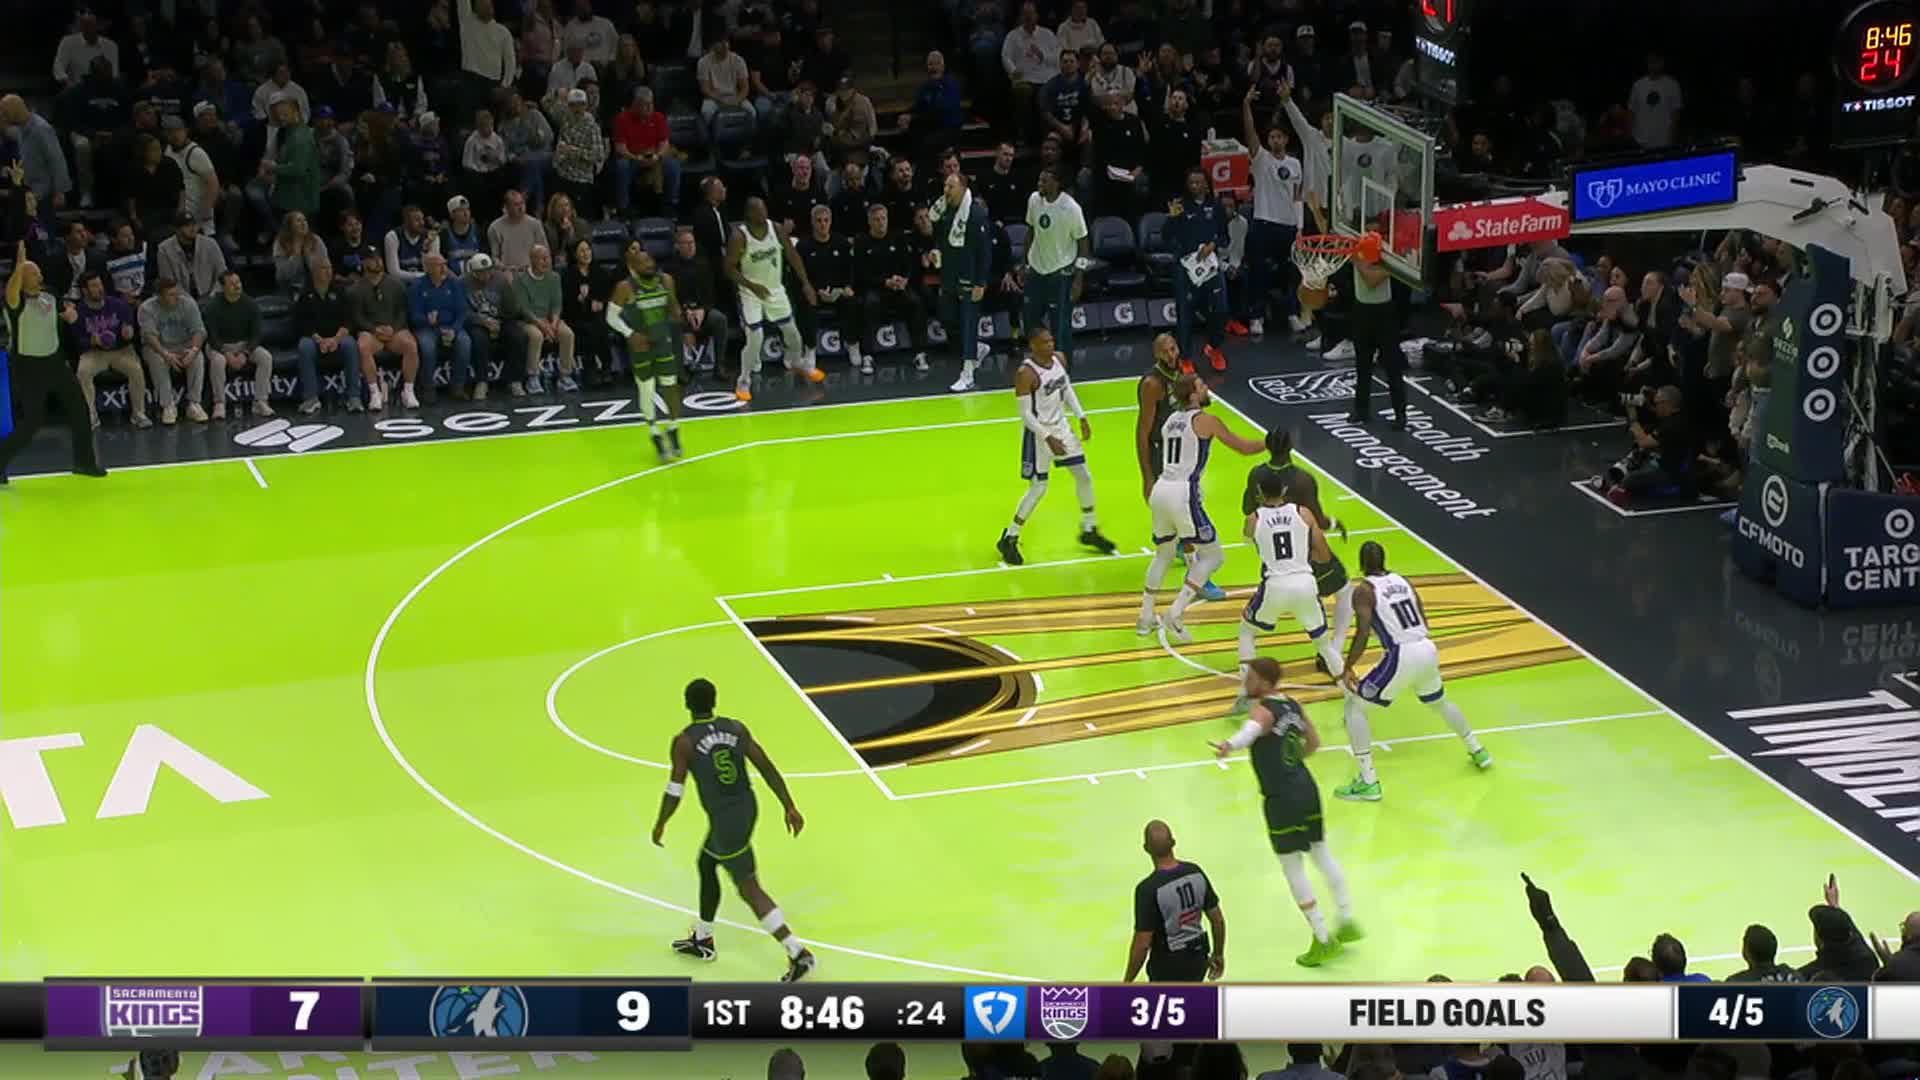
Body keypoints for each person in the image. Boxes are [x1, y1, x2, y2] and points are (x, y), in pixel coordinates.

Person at [652, 677, 817, 982]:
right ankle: (703, 938)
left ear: (687, 704)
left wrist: (662, 821)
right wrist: (788, 805)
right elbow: (766, 767)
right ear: (714, 701)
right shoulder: (736, 729)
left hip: (726, 822)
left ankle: (797, 952)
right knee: (706, 862)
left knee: (748, 887)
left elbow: (675, 789)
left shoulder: (684, 742)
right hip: (747, 808)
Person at [1211, 657, 1358, 967]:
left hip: (1281, 797)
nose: (1246, 682)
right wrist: (1291, 761)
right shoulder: (1292, 705)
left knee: (1292, 867)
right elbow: (1314, 743)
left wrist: (1228, 745)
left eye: (1250, 677)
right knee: (1322, 853)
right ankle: (1347, 919)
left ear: (1265, 682)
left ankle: (1322, 938)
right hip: (1306, 787)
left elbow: (1249, 732)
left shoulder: (1263, 709)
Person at [1336, 541, 1492, 801]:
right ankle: (1478, 750)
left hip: (1401, 655)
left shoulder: (1364, 590)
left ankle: (1368, 782)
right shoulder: (1403, 581)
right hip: (1426, 647)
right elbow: (1421, 617)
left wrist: (1348, 665)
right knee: (1440, 702)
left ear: (1361, 564)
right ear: (1384, 559)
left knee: (1355, 706)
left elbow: (1363, 631)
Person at [1140, 375, 1265, 642]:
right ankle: (1175, 612)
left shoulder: (1170, 420)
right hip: (1182, 493)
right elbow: (1243, 448)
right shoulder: (1205, 420)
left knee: (1163, 554)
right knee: (1213, 556)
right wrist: (1270, 442)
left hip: (1161, 488)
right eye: (1202, 386)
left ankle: (1145, 617)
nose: (1207, 388)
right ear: (1193, 395)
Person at [997, 327, 1117, 565]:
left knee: (1084, 476)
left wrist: (1081, 416)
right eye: (1045, 342)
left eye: (1051, 340)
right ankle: (1010, 537)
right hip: (1039, 434)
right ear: (1033, 345)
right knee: (1039, 487)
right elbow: (1026, 415)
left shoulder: (1059, 359)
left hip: (1061, 427)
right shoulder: (1025, 374)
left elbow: (1067, 389)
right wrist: (1047, 437)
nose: (1050, 345)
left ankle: (1089, 528)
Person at [1245, 431, 1354, 671]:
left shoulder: (1256, 474)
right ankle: (1334, 651)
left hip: (1276, 559)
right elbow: (1318, 520)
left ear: (1268, 446)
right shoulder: (1303, 479)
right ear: (1291, 447)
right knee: (1345, 591)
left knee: (1255, 621)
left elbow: (1247, 510)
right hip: (1305, 555)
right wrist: (1335, 523)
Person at [1238, 471, 1346, 709]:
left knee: (1247, 631)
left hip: (1275, 584)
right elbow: (1324, 554)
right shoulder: (1303, 513)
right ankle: (1350, 691)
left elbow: (1249, 538)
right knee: (1323, 644)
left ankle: (1245, 694)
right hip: (1304, 582)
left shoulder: (1253, 518)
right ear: (1284, 491)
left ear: (1259, 494)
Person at [0, 242, 106, 481]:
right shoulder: (15, 303)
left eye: (39, 272)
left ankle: (85, 463)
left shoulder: (50, 294)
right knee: (32, 423)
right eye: (33, 274)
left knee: (80, 411)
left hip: (56, 363)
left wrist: (70, 316)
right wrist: (20, 265)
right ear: (21, 279)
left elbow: (62, 314)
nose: (40, 276)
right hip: (29, 368)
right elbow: (10, 292)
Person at [1135, 332, 1226, 604]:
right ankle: (1199, 579)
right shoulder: (1152, 384)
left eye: (1173, 348)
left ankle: (1178, 549)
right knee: (1188, 514)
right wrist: (1146, 475)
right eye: (1165, 351)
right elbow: (1142, 430)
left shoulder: (1182, 376)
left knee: (1183, 516)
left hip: (1180, 452)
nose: (1171, 354)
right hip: (1161, 455)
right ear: (1156, 354)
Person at [727, 196, 824, 402]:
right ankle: (743, 380)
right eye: (759, 210)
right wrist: (752, 286)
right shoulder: (739, 236)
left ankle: (796, 362)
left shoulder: (777, 229)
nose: (764, 213)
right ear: (749, 214)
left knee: (793, 334)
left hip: (774, 290)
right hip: (750, 292)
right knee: (755, 337)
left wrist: (806, 283)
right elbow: (729, 269)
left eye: (764, 208)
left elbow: (792, 256)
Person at [1123, 819, 1225, 983]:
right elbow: (1217, 919)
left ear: (1146, 849)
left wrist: (1127, 981)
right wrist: (1218, 954)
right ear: (1173, 842)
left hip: (1168, 966)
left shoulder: (1148, 889)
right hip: (1198, 959)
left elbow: (1142, 944)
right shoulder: (1195, 872)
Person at [606, 245, 684, 459]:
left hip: (663, 341)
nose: (649, 265)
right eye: (643, 263)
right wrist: (630, 334)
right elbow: (610, 317)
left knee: (671, 386)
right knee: (647, 390)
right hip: (641, 346)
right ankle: (654, 432)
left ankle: (673, 427)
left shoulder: (666, 280)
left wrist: (676, 311)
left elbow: (674, 310)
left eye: (650, 261)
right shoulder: (625, 287)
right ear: (633, 267)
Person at [931, 171, 993, 392]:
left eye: (951, 187)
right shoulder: (945, 210)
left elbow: (985, 252)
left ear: (963, 188)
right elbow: (941, 238)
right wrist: (936, 251)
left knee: (968, 322)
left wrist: (980, 282)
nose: (946, 190)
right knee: (947, 317)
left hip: (970, 277)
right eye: (945, 186)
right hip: (949, 275)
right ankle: (977, 348)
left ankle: (968, 374)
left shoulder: (975, 214)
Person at [852, 204, 930, 372]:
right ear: (869, 222)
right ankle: (867, 356)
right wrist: (884, 282)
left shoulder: (898, 237)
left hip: (898, 286)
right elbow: (860, 273)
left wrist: (904, 280)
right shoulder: (862, 241)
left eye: (883, 218)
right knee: (869, 304)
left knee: (915, 302)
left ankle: (919, 354)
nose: (881, 222)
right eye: (876, 219)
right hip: (875, 287)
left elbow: (908, 264)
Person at [68, 270, 150, 429]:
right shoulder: (79, 311)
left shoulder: (118, 304)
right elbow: (77, 341)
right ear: (85, 291)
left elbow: (129, 327)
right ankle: (91, 415)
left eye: (100, 284)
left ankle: (139, 414)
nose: (100, 288)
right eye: (94, 286)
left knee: (136, 370)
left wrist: (128, 332)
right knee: (83, 372)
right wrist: (92, 340)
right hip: (94, 352)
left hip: (121, 350)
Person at [1168, 167, 1231, 373]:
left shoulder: (1216, 206)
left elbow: (1224, 237)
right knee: (1185, 313)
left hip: (1210, 266)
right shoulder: (1180, 206)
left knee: (1220, 309)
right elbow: (1166, 237)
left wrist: (1213, 245)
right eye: (1192, 182)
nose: (1195, 186)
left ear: (1206, 184)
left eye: (1199, 182)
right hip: (1186, 267)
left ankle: (1214, 347)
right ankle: (1185, 357)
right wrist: (1172, 218)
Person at [1023, 167, 1089, 357]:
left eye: (1044, 181)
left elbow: (1083, 243)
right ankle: (1040, 359)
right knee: (1029, 322)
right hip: (1036, 270)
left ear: (1057, 183)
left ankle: (1063, 368)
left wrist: (1078, 279)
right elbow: (1030, 231)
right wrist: (1024, 263)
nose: (1039, 184)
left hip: (1060, 274)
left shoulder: (1071, 208)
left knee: (1060, 327)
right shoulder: (1034, 200)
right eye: (1039, 180)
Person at [347, 252, 420, 410]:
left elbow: (402, 311)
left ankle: (408, 391)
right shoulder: (355, 289)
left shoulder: (396, 284)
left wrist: (393, 328)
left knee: (410, 344)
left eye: (378, 258)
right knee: (363, 346)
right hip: (372, 333)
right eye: (372, 259)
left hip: (394, 330)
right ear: (364, 263)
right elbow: (357, 317)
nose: (377, 262)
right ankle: (375, 393)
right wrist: (374, 329)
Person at [1347, 232, 1405, 428]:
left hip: (1384, 315)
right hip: (1362, 312)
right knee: (1362, 365)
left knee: (1392, 366)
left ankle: (1400, 415)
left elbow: (1371, 279)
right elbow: (1369, 277)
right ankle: (1361, 411)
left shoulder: (1387, 262)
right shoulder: (1359, 254)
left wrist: (1360, 262)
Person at [200, 270, 275, 419]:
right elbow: (211, 337)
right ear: (223, 288)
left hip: (244, 345)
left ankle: (260, 401)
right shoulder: (212, 307)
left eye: (238, 282)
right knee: (218, 361)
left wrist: (245, 353)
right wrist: (226, 353)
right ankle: (219, 403)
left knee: (265, 357)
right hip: (219, 346)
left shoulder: (251, 304)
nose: (237, 286)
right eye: (232, 284)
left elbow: (256, 334)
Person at [293, 258, 364, 413]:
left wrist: (336, 339)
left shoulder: (340, 291)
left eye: (329, 268)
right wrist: (320, 340)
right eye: (324, 268)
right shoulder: (305, 294)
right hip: (314, 338)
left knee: (350, 344)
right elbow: (301, 324)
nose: (328, 271)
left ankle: (353, 397)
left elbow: (348, 320)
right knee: (304, 347)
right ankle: (311, 398)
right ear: (314, 272)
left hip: (338, 337)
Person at [139, 277, 210, 424]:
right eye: (171, 294)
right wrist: (165, 354)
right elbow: (150, 336)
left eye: (177, 292)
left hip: (184, 345)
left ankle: (194, 404)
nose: (176, 297)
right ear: (159, 296)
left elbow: (199, 331)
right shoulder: (147, 308)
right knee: (158, 360)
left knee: (198, 358)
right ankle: (168, 406)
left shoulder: (188, 303)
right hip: (158, 347)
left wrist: (193, 350)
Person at [410, 252, 473, 404]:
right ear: (428, 268)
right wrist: (426, 319)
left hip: (451, 326)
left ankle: (458, 387)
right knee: (427, 347)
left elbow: (462, 311)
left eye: (445, 264)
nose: (444, 268)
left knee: (464, 342)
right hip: (427, 328)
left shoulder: (455, 284)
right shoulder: (417, 286)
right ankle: (428, 388)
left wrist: (454, 329)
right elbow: (413, 315)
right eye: (439, 265)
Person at [514, 244, 578, 392]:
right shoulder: (520, 280)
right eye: (541, 259)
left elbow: (557, 304)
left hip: (549, 320)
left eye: (548, 258)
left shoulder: (554, 277)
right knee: (536, 336)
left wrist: (553, 324)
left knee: (567, 334)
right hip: (528, 321)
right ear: (532, 260)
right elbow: (523, 309)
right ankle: (532, 377)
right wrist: (542, 325)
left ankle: (565, 376)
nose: (546, 262)